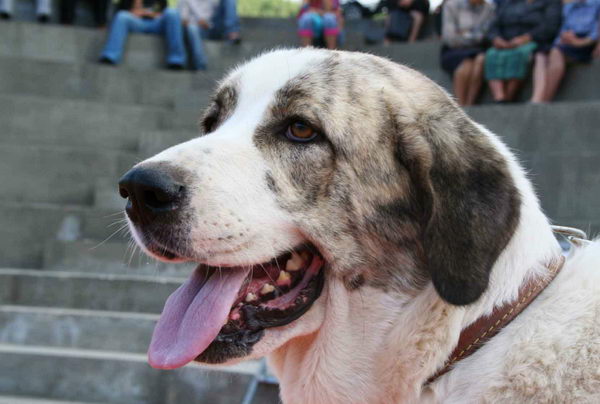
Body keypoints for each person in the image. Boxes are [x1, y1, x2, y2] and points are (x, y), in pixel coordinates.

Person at [484, 0, 562, 103]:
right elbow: (494, 26)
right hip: (505, 42)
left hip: (535, 41)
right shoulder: (509, 3)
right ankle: (499, 96)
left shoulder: (551, 2)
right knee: (492, 54)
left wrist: (527, 37)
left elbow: (551, 25)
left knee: (519, 54)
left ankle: (509, 96)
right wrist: (496, 39)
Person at [531, 0, 600, 103]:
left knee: (554, 52)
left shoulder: (597, 4)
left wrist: (579, 42)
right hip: (569, 44)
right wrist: (566, 38)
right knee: (547, 53)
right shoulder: (569, 7)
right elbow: (562, 30)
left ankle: (542, 100)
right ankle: (541, 99)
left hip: (588, 43)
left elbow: (595, 33)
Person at [99, 0, 187, 69]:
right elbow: (121, 12)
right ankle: (110, 56)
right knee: (122, 16)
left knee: (172, 13)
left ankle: (176, 60)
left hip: (155, 23)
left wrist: (149, 13)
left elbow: (163, 12)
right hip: (137, 23)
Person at [441, 0, 495, 106]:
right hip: (454, 50)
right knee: (466, 65)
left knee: (480, 60)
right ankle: (461, 104)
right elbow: (450, 38)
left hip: (479, 49)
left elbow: (485, 35)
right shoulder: (452, 5)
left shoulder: (489, 7)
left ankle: (469, 104)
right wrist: (473, 35)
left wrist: (464, 33)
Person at [178, 0, 242, 71]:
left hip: (214, 26)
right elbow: (183, 21)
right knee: (192, 29)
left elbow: (220, 11)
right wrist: (198, 22)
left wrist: (208, 23)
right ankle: (200, 66)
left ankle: (232, 32)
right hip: (197, 29)